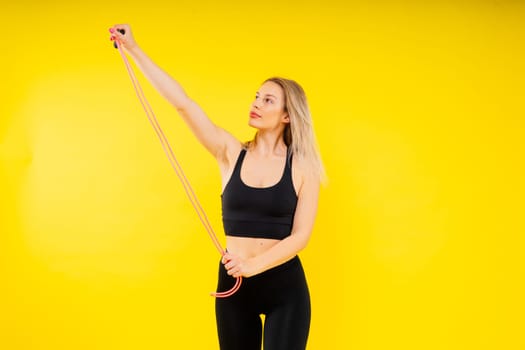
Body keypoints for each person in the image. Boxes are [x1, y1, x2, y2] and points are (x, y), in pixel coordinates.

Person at [109, 24, 325, 350]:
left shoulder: (304, 166)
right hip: (234, 287)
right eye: (256, 96)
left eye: (268, 100)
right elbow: (183, 103)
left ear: (286, 116)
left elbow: (300, 237)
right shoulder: (229, 152)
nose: (257, 103)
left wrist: (253, 265)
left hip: (285, 288)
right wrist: (134, 49)